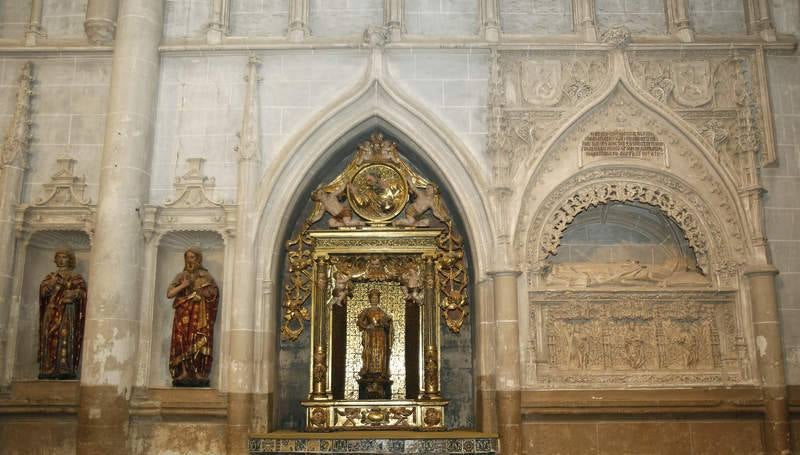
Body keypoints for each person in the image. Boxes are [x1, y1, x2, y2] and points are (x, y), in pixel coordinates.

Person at [167, 248, 219, 387]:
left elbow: (214, 294)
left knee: (198, 339)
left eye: (192, 257)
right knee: (182, 341)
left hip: (199, 315)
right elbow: (170, 294)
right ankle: (183, 372)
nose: (190, 260)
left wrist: (202, 293)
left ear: (198, 259)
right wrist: (183, 285)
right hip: (183, 314)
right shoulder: (180, 276)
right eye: (187, 257)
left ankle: (199, 373)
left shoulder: (206, 276)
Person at [38, 249, 87, 379]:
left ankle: (65, 368)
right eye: (58, 257)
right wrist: (50, 285)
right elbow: (43, 293)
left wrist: (72, 292)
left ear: (70, 259)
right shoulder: (51, 277)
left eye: (64, 257)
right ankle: (48, 368)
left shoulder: (76, 277)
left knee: (65, 336)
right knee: (48, 336)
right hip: (52, 311)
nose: (61, 260)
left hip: (67, 311)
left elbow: (82, 293)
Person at [356, 289, 393, 398]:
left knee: (381, 353)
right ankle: (369, 371)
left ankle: (381, 372)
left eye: (376, 298)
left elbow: (386, 325)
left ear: (378, 299)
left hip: (380, 335)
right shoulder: (366, 311)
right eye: (372, 298)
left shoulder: (381, 312)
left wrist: (386, 323)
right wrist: (367, 326)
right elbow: (359, 322)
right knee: (370, 354)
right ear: (370, 299)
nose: (374, 300)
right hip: (371, 336)